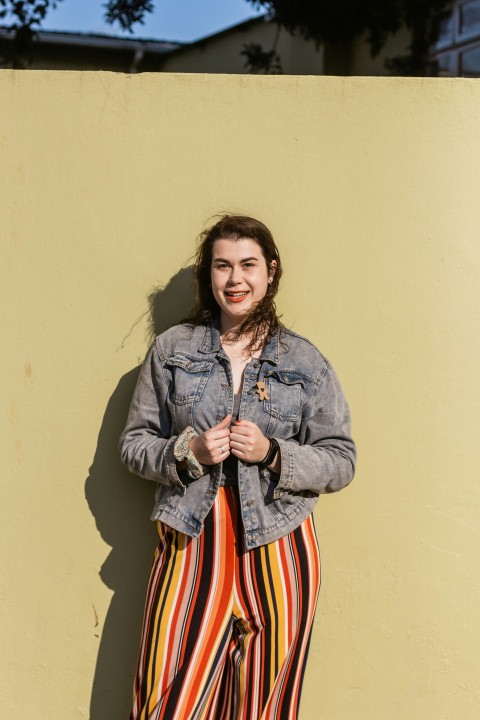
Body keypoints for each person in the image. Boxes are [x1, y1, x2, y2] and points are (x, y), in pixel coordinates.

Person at [119, 214, 356, 720]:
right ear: (209, 275)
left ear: (270, 272)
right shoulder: (172, 351)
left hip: (280, 544)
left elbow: (340, 461)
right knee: (167, 699)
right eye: (222, 266)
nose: (235, 279)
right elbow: (135, 444)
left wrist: (273, 453)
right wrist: (189, 453)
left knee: (263, 705)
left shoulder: (306, 362)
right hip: (191, 537)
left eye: (248, 265)